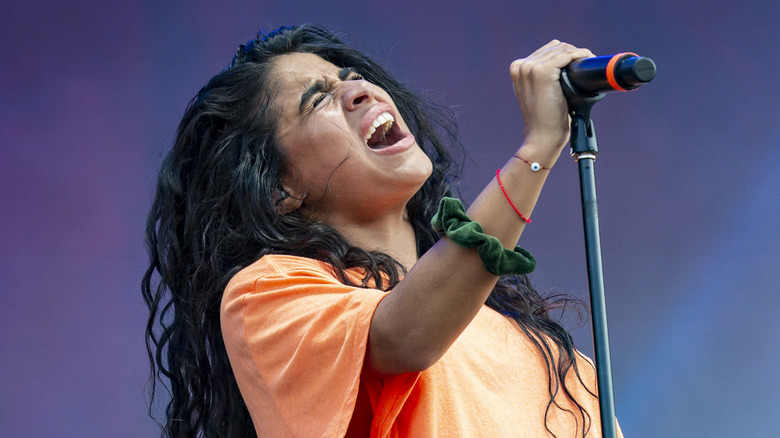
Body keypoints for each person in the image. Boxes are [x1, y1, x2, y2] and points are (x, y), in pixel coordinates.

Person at [143, 24, 623, 437]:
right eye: (317, 100)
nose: (360, 91)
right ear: (279, 187)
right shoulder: (265, 295)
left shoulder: (557, 361)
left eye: (352, 78)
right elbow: (406, 337)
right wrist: (537, 149)